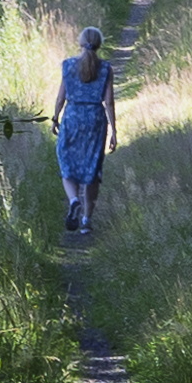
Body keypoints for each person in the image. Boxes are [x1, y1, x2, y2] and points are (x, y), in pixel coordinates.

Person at [52, 24, 117, 244]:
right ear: (99, 45)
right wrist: (114, 130)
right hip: (95, 120)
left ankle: (73, 201)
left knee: (67, 161)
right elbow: (108, 101)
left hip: (72, 117)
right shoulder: (106, 68)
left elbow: (61, 97)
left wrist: (55, 117)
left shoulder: (68, 66)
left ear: (80, 42)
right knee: (92, 169)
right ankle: (86, 220)